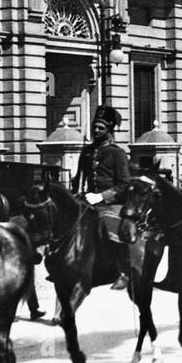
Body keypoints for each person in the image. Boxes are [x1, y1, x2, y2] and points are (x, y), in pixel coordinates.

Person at [73, 104, 133, 289]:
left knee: (107, 223)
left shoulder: (118, 153)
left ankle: (123, 270)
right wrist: (76, 195)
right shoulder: (87, 151)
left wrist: (100, 197)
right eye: (94, 127)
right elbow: (79, 178)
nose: (96, 131)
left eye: (101, 128)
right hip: (88, 198)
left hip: (112, 202)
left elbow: (124, 185)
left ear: (109, 130)